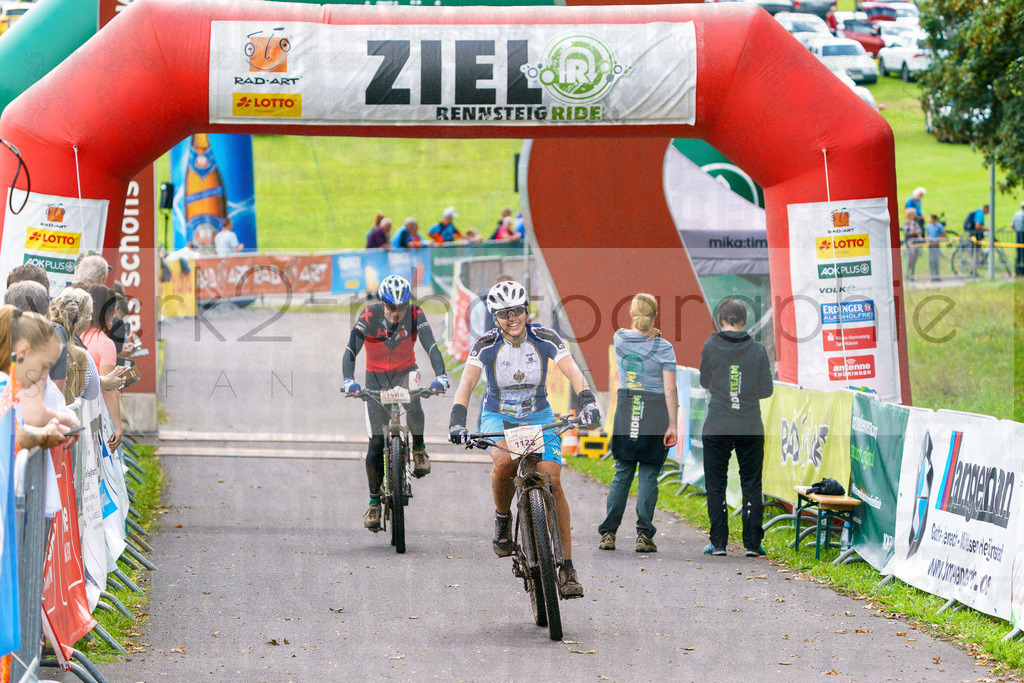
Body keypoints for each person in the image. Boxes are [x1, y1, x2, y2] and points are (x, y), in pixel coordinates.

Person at [448, 280, 601, 598]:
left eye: (517, 310)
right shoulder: (485, 344)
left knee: (552, 481)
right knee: (504, 462)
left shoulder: (545, 337)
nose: (512, 318)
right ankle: (503, 518)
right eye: (504, 313)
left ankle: (567, 567)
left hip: (539, 416)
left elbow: (572, 371)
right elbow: (467, 383)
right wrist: (457, 420)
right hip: (498, 416)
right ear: (495, 317)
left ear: (526, 311)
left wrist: (588, 401)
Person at [342, 275, 449, 531]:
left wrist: (441, 375)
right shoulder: (369, 315)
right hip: (376, 378)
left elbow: (431, 346)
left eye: (401, 307)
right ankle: (373, 502)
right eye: (390, 306)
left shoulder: (415, 314)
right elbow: (351, 350)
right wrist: (348, 380)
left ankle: (419, 449)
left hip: (405, 371)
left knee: (414, 401)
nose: (395, 312)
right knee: (376, 442)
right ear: (382, 303)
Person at [597, 293, 678, 553]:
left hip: (627, 406)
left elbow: (631, 332)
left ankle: (608, 533)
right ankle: (644, 535)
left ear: (632, 314)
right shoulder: (664, 347)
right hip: (655, 411)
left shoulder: (620, 338)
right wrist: (673, 424)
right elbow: (670, 389)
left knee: (622, 472)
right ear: (655, 315)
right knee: (649, 475)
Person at [699, 299, 774, 557]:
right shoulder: (758, 350)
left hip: (717, 423)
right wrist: (743, 393)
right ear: (743, 321)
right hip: (749, 424)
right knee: (751, 484)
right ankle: (752, 544)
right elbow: (766, 390)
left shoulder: (710, 346)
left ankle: (718, 543)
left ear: (721, 319)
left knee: (715, 484)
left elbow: (704, 381)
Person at [79, 283, 123, 450]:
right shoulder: (105, 344)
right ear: (110, 312)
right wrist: (118, 427)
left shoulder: (78, 335)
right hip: (95, 418)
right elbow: (109, 389)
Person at [924, 213, 946, 282]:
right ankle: (932, 275)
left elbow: (944, 234)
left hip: (936, 245)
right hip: (930, 244)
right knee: (931, 260)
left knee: (936, 260)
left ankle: (937, 275)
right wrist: (927, 241)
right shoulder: (928, 226)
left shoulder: (939, 226)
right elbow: (927, 234)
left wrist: (938, 240)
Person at [902, 207, 923, 281]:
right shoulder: (906, 223)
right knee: (909, 259)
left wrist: (916, 233)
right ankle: (907, 274)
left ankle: (912, 274)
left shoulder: (915, 223)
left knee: (914, 260)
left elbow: (919, 231)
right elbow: (908, 233)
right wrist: (915, 232)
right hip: (909, 245)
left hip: (915, 244)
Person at [1012, 201, 1024, 276]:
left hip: (1018, 234)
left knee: (1019, 253)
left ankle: (1017, 270)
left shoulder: (1016, 214)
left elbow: (1012, 225)